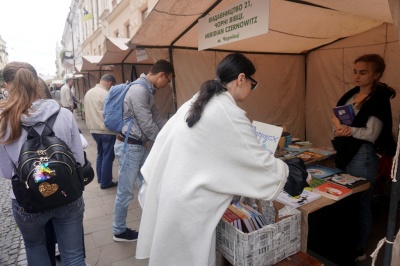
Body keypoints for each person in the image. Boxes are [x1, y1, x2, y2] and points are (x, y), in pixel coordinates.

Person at [135, 53, 309, 265]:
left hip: (174, 191)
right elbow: (258, 162)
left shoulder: (199, 99)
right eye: (253, 85)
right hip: (189, 205)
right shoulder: (228, 112)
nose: (252, 91)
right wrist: (293, 172)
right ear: (242, 78)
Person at [0, 62, 86, 266]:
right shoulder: (63, 114)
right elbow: (79, 160)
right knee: (73, 254)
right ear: (36, 81)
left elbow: (5, 172)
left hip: (27, 200)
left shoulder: (4, 121)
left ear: (6, 85)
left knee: (35, 247)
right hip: (67, 195)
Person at [332, 54, 396, 262]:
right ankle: (345, 240)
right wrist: (340, 128)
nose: (357, 76)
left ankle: (359, 248)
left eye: (363, 72)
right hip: (346, 152)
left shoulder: (378, 99)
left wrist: (347, 130)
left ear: (376, 74)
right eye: (355, 71)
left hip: (363, 156)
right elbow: (341, 120)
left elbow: (371, 134)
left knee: (361, 201)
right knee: (346, 200)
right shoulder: (351, 94)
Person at [112, 59, 174, 242]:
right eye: (168, 80)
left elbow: (157, 118)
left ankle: (152, 224)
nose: (167, 84)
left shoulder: (147, 90)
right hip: (129, 147)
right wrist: (165, 143)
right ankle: (119, 230)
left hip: (136, 146)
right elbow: (148, 125)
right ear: (162, 74)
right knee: (126, 191)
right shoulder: (139, 90)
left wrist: (172, 132)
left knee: (148, 184)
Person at [84, 74, 118, 189]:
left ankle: (101, 178)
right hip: (106, 130)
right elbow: (112, 113)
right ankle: (106, 182)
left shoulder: (88, 93)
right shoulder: (106, 94)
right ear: (110, 83)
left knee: (101, 154)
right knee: (108, 157)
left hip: (94, 130)